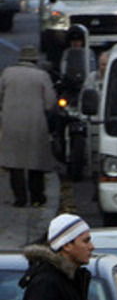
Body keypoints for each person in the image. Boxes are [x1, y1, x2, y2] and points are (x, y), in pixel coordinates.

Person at [0, 45, 56, 208]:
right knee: (35, 162)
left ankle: (20, 198)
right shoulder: (42, 76)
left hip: (11, 123)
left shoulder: (7, 73)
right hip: (35, 124)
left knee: (14, 163)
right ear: (35, 59)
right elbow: (50, 102)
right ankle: (37, 197)